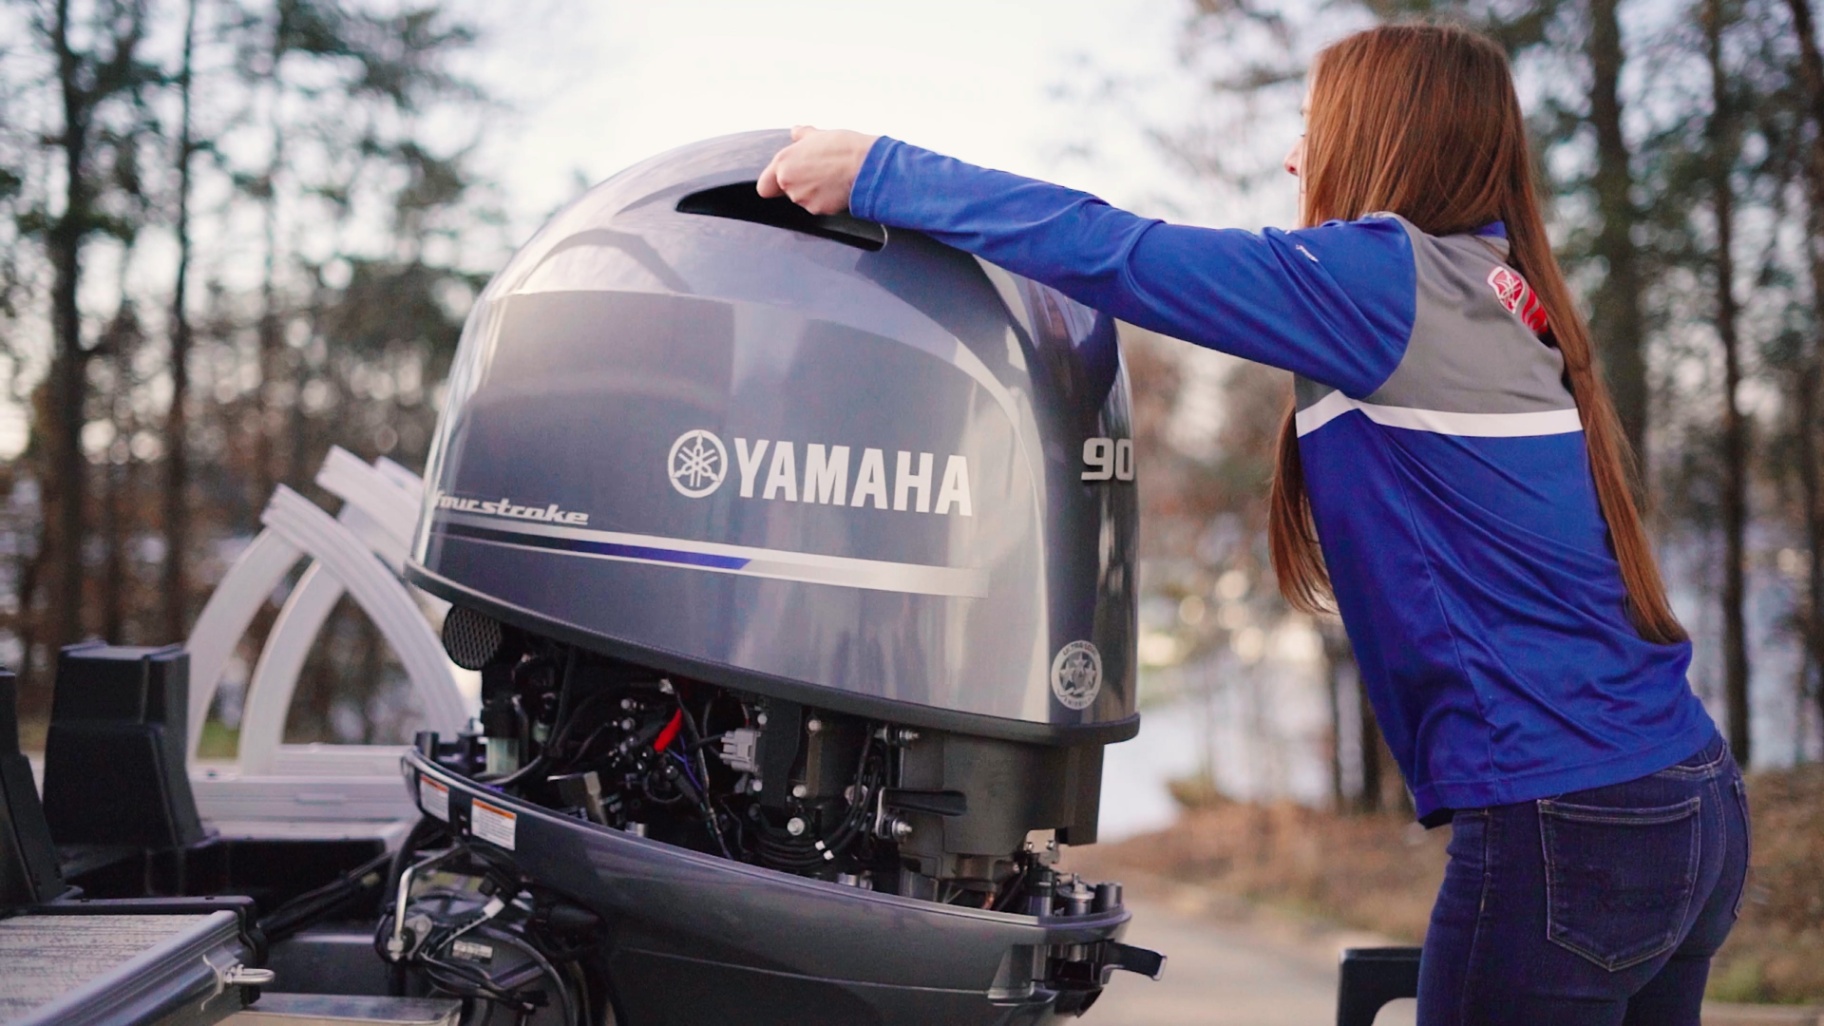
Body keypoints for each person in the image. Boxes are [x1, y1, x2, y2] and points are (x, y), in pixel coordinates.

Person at [756, 22, 1750, 1026]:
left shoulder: (1386, 280)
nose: (1292, 156)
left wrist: (881, 170)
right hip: (1689, 798)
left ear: (1385, 136)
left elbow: (1117, 252)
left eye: (1314, 127)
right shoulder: (1505, 293)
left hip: (1566, 826)